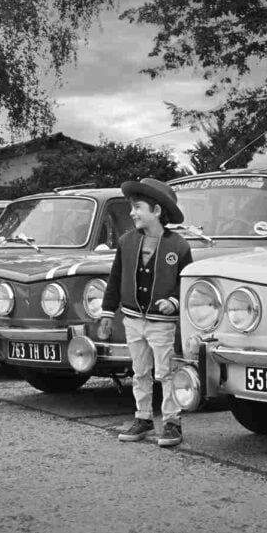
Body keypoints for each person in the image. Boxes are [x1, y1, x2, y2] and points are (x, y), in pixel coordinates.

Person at [99, 177, 193, 447]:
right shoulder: (127, 241)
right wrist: (107, 312)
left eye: (137, 207)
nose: (132, 213)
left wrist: (174, 302)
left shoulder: (179, 246)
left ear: (157, 212)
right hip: (132, 319)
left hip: (161, 323)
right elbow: (115, 278)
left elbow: (185, 283)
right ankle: (143, 418)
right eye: (132, 207)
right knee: (140, 371)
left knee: (166, 372)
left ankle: (172, 422)